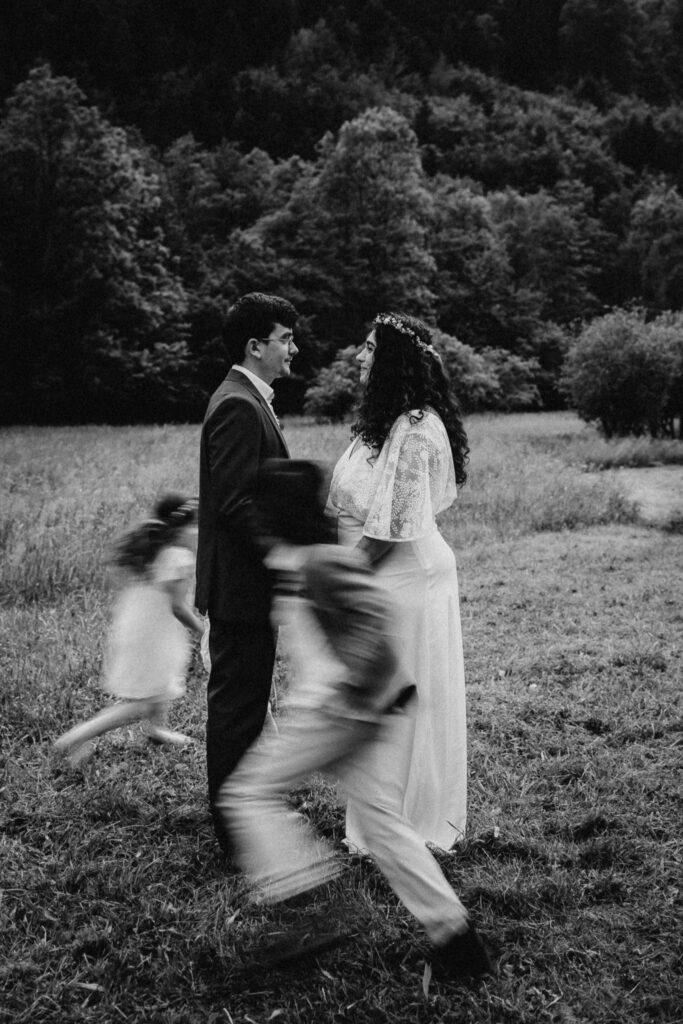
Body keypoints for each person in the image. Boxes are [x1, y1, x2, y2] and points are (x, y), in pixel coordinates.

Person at [216, 460, 491, 981]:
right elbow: (310, 603)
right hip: (357, 710)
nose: (251, 520)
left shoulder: (322, 562)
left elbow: (371, 613)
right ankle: (456, 938)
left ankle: (305, 906)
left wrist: (355, 685)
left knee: (246, 794)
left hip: (341, 711)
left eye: (258, 510)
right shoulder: (297, 556)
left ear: (278, 512)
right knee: (384, 824)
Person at [326, 312, 469, 851]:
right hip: (387, 571)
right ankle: (383, 814)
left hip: (404, 576)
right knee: (382, 696)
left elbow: (389, 530)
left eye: (367, 348)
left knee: (405, 696)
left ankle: (410, 822)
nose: (359, 357)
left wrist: (337, 582)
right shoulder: (383, 424)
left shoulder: (412, 429)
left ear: (391, 360)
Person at [195, 292, 299, 846]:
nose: (293, 349)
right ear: (255, 345)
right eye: (285, 338)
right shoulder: (238, 403)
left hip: (244, 585)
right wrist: (283, 555)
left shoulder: (248, 397)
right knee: (237, 709)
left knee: (247, 702)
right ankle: (236, 832)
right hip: (240, 586)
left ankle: (246, 813)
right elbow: (235, 503)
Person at [54, 495, 204, 766]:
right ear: (182, 528)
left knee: (160, 686)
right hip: (153, 635)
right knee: (144, 702)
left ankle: (157, 729)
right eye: (195, 527)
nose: (198, 533)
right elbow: (178, 607)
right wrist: (202, 630)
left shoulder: (156, 545)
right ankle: (76, 736)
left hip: (139, 625)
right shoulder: (179, 556)